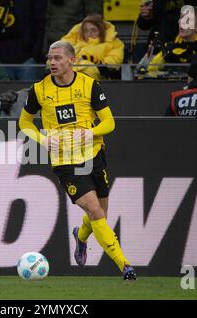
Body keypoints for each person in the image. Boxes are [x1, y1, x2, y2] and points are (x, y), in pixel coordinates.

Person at [19, 40, 137, 280]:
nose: (52, 63)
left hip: (94, 155)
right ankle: (125, 266)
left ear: (72, 60)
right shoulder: (39, 90)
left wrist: (90, 132)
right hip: (65, 162)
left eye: (58, 58)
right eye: (50, 58)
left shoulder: (90, 86)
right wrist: (41, 138)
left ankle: (80, 236)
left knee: (100, 213)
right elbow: (24, 123)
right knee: (95, 210)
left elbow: (109, 123)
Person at [61, 14, 125, 80]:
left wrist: (93, 60)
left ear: (102, 31)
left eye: (93, 30)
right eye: (85, 30)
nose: (89, 34)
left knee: (88, 68)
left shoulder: (114, 43)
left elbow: (113, 63)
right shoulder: (75, 43)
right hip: (69, 75)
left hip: (98, 78)